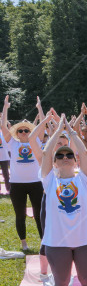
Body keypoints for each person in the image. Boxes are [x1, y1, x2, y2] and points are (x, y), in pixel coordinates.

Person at [38, 116, 87, 286]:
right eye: (60, 156)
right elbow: (45, 153)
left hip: (85, 240)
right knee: (61, 283)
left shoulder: (84, 179)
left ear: (75, 161)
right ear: (55, 162)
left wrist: (72, 132)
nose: (65, 157)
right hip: (57, 242)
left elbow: (84, 153)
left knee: (86, 280)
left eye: (68, 155)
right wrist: (57, 132)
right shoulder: (49, 180)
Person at [1, 96, 45, 252]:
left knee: (39, 214)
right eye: (21, 130)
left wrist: (39, 108)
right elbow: (3, 126)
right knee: (20, 215)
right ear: (17, 133)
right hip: (17, 184)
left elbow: (43, 124)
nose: (24, 132)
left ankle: (43, 242)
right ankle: (24, 243)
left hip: (36, 183)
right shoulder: (11, 143)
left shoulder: (36, 141)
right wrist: (5, 108)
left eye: (27, 130)